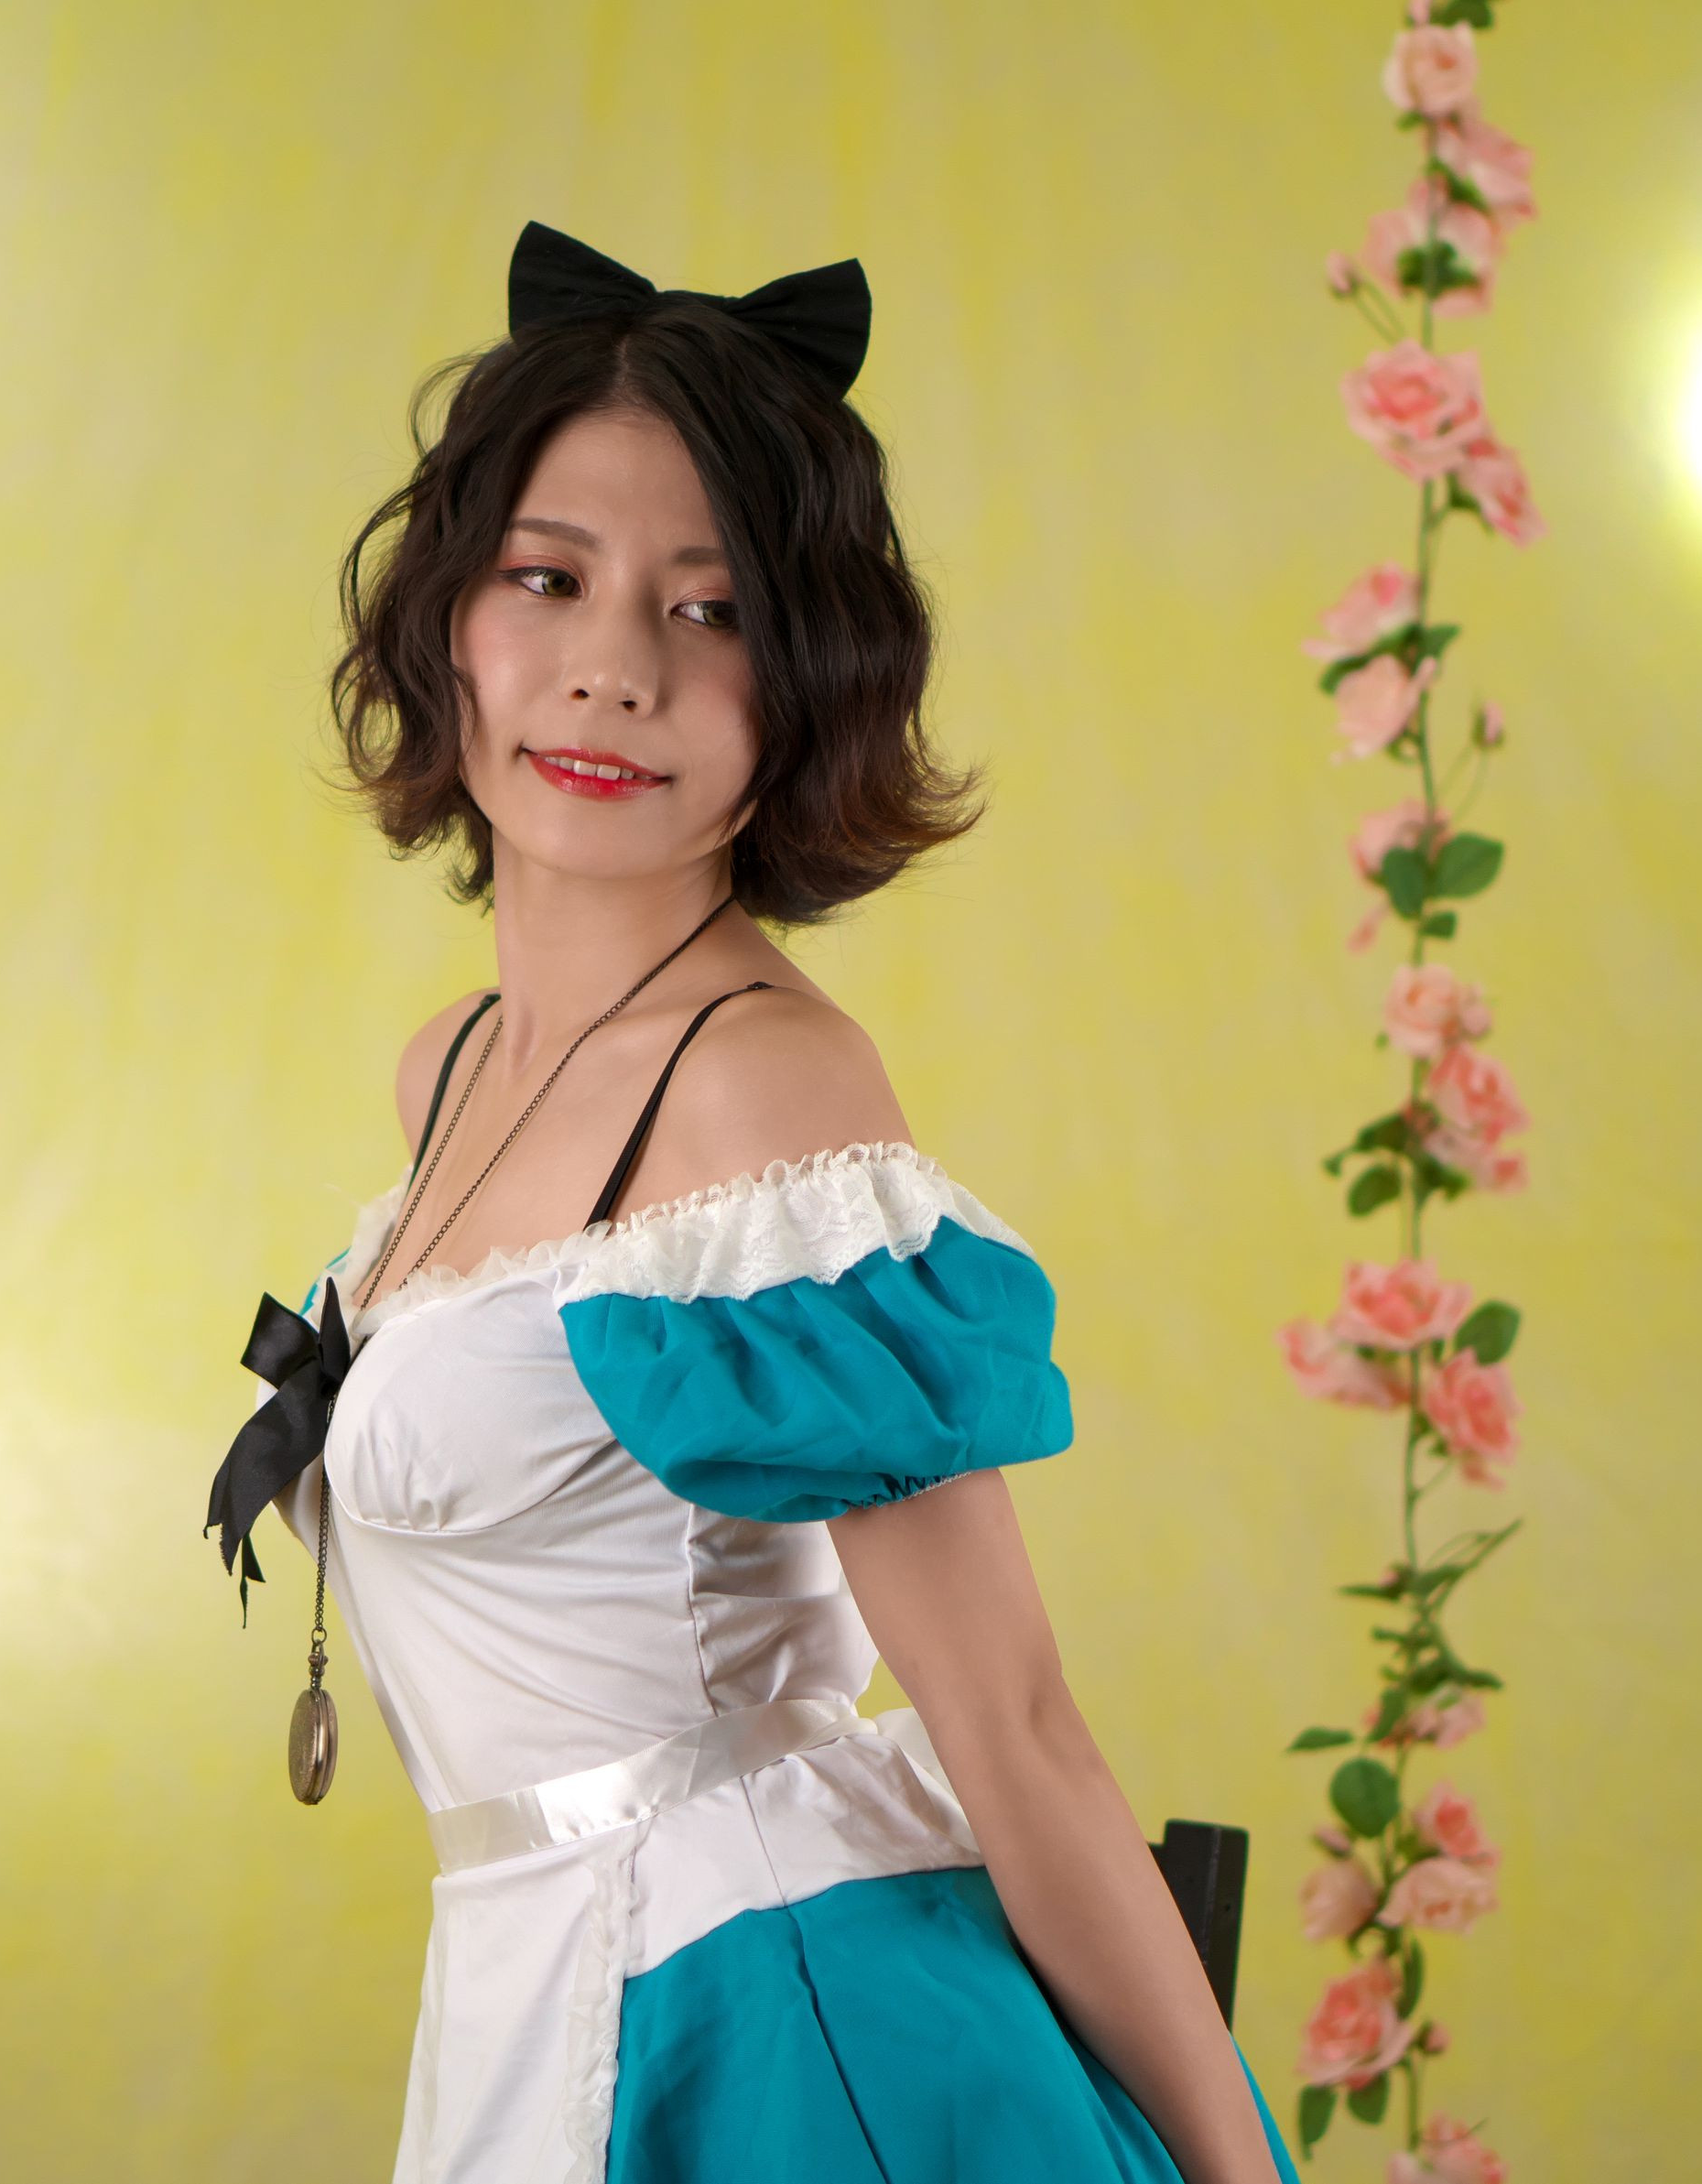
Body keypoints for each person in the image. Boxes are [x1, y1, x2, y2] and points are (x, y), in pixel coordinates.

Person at [208, 223, 1295, 2184]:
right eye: (550, 577)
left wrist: (1241, 2174)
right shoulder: (448, 1068)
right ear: (449, 619)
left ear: (800, 686)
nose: (613, 668)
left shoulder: (763, 1088)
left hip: (774, 2016)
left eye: (707, 611)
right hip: (532, 1985)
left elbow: (1011, 1716)